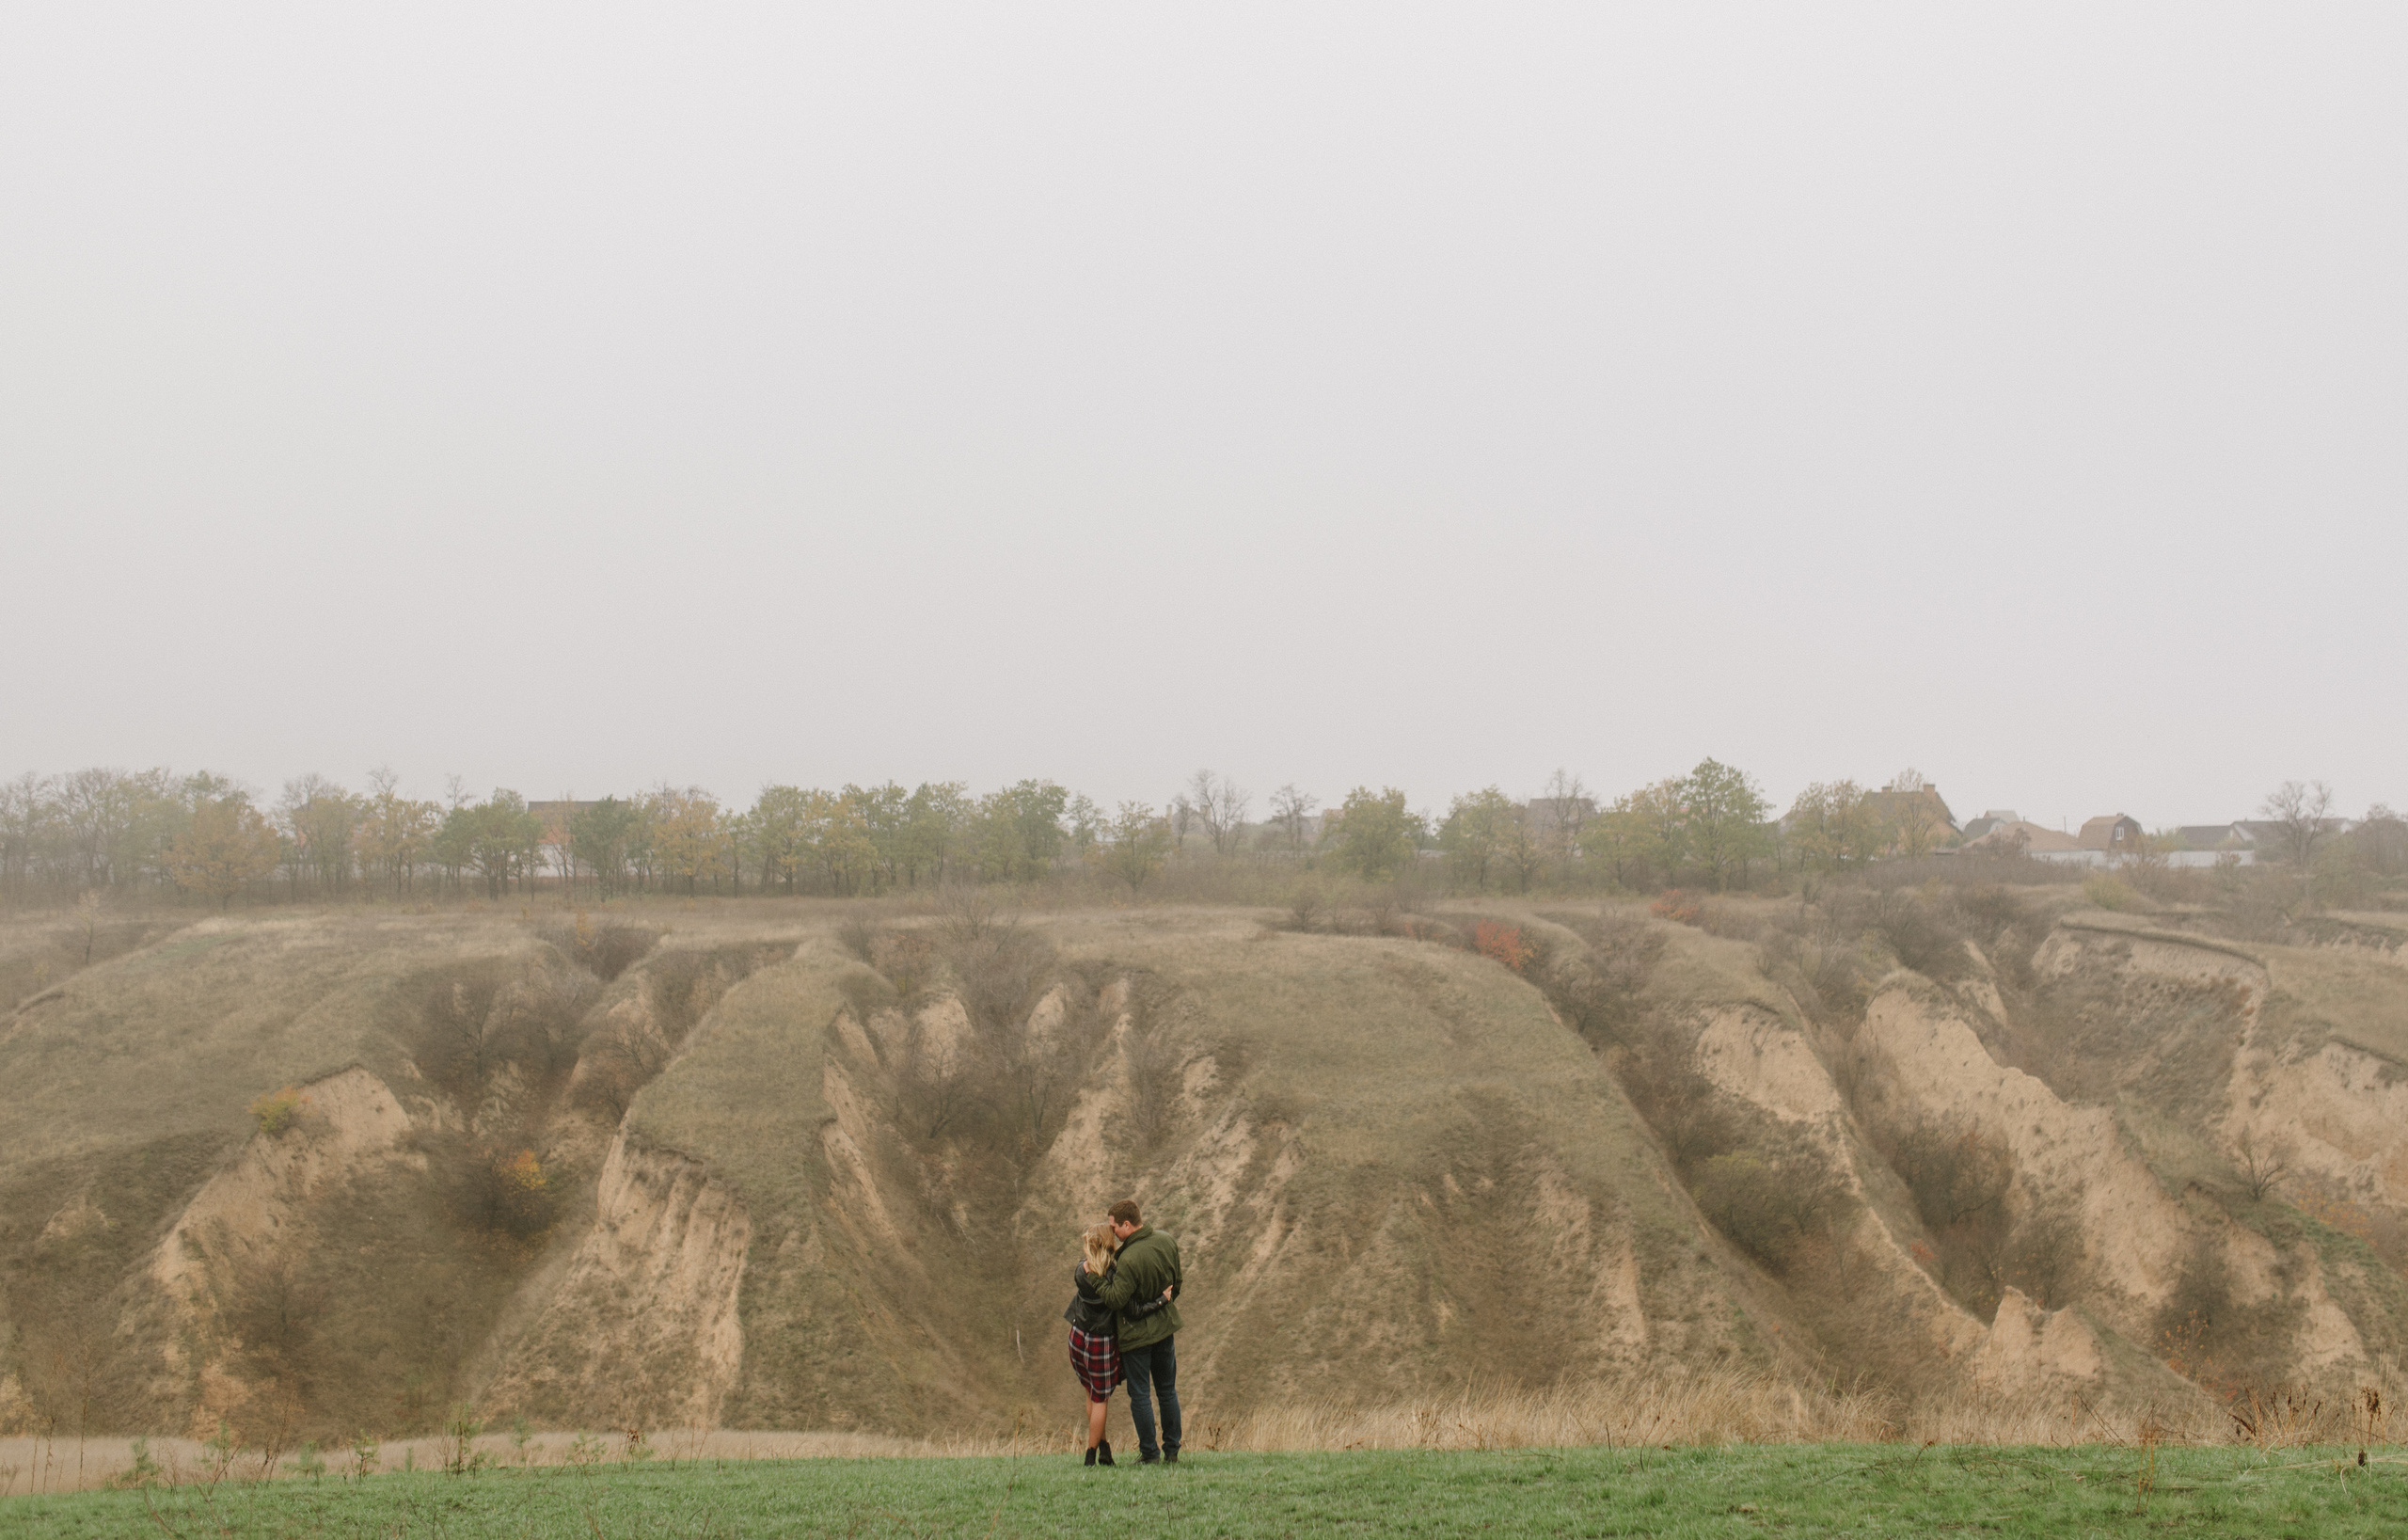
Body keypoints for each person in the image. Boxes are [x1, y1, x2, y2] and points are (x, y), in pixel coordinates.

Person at [1065, 1222, 1171, 1466]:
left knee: (1091, 1393)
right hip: (1100, 1342)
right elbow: (1132, 1309)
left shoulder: (1081, 1270)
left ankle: (1104, 1450)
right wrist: (1161, 1300)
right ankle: (1091, 1456)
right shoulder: (1113, 1276)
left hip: (1077, 1336)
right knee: (1100, 1398)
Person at [1088, 1198, 1184, 1465]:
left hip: (1136, 1338)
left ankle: (1150, 1454)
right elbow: (1176, 1284)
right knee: (1167, 1391)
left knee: (1140, 1394)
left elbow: (1117, 1299)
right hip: (1165, 1330)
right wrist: (1161, 1303)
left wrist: (1095, 1277)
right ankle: (1172, 1451)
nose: (1113, 1233)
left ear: (1127, 1225)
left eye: (1115, 1227)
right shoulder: (1167, 1241)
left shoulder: (1128, 1259)